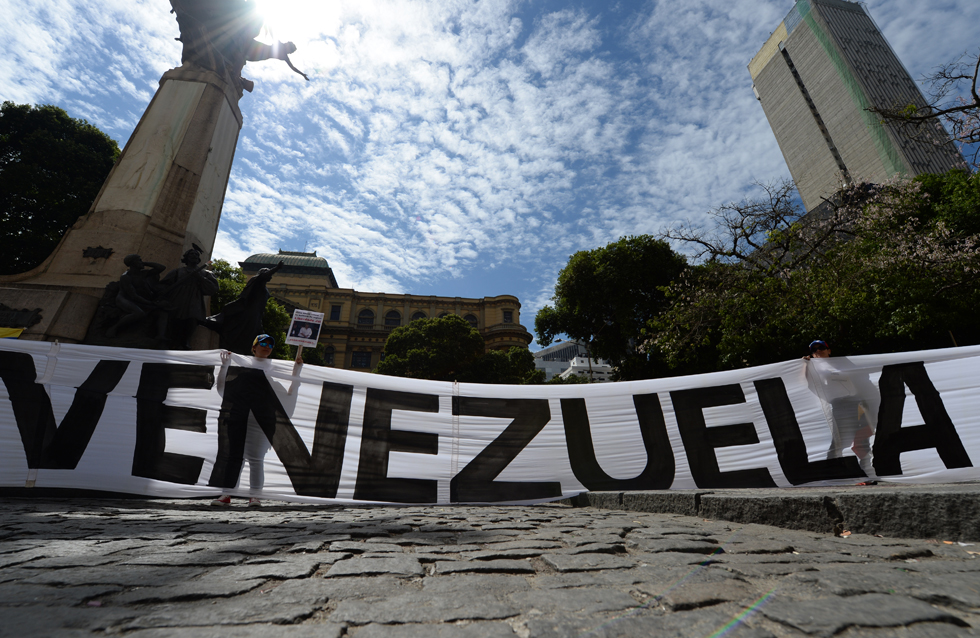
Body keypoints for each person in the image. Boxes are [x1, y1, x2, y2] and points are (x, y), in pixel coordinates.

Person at [211, 334, 276, 507]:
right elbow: (222, 389)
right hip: (238, 417)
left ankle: (255, 496)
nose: (267, 346)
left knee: (256, 458)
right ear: (254, 347)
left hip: (261, 421)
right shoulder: (242, 368)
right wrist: (225, 366)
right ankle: (227, 494)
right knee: (234, 456)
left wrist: (297, 371)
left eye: (270, 344)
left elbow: (289, 394)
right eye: (263, 343)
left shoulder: (274, 369)